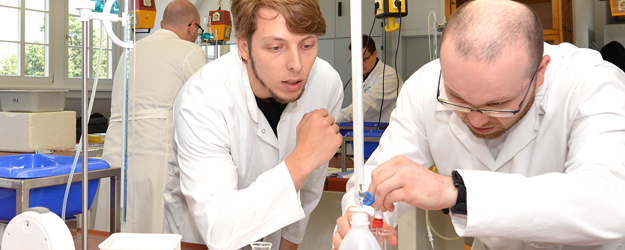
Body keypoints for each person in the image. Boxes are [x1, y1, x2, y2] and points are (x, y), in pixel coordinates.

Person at [333, 0, 625, 249]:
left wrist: (456, 192)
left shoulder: (592, 83)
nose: (476, 119)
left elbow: (611, 201)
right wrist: (362, 217)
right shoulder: (425, 86)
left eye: (498, 104)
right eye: (457, 98)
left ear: (540, 72)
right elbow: (377, 176)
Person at [162, 0, 343, 249]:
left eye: (307, 45)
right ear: (244, 47)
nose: (297, 65)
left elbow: (309, 188)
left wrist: (288, 245)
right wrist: (300, 160)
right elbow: (218, 227)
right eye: (276, 47)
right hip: (200, 240)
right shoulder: (203, 98)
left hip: (272, 238)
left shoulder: (326, 83)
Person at [91, 0, 207, 233]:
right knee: (154, 224)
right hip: (156, 151)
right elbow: (205, 107)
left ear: (162, 24)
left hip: (115, 151)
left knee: (117, 224)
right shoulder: (190, 51)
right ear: (192, 26)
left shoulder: (129, 51)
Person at [336, 35, 403, 123]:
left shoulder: (389, 76)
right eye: (356, 59)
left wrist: (338, 116)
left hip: (385, 132)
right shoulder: (362, 76)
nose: (360, 64)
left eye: (364, 59)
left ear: (374, 54)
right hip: (369, 131)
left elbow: (367, 105)